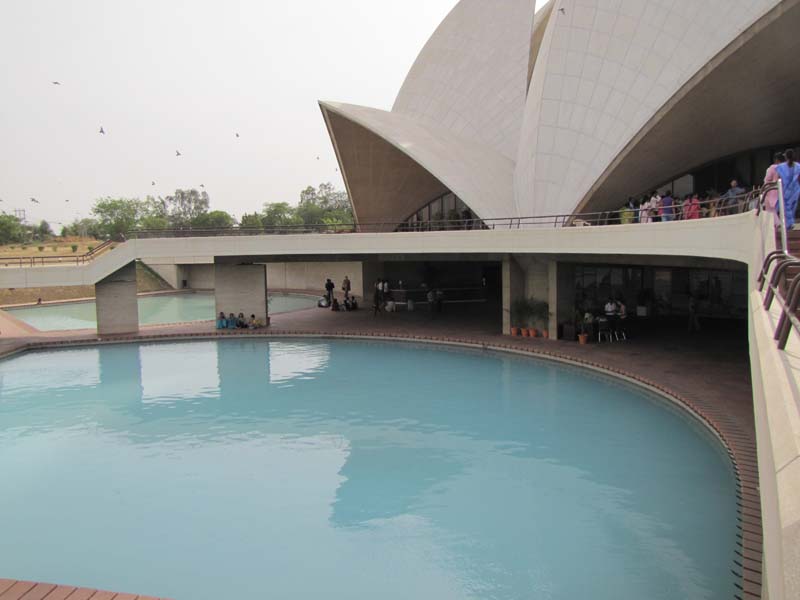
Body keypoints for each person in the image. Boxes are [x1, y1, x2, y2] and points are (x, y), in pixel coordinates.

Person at [777, 149, 800, 229]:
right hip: (795, 189)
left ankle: (789, 224)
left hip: (786, 189)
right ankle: (790, 223)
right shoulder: (798, 166)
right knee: (792, 206)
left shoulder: (781, 167)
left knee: (786, 207)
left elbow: (779, 178)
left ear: (786, 157)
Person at [764, 152, 785, 225]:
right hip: (783, 190)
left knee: (770, 209)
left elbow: (767, 179)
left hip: (772, 191)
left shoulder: (773, 167)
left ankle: (777, 224)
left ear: (776, 160)